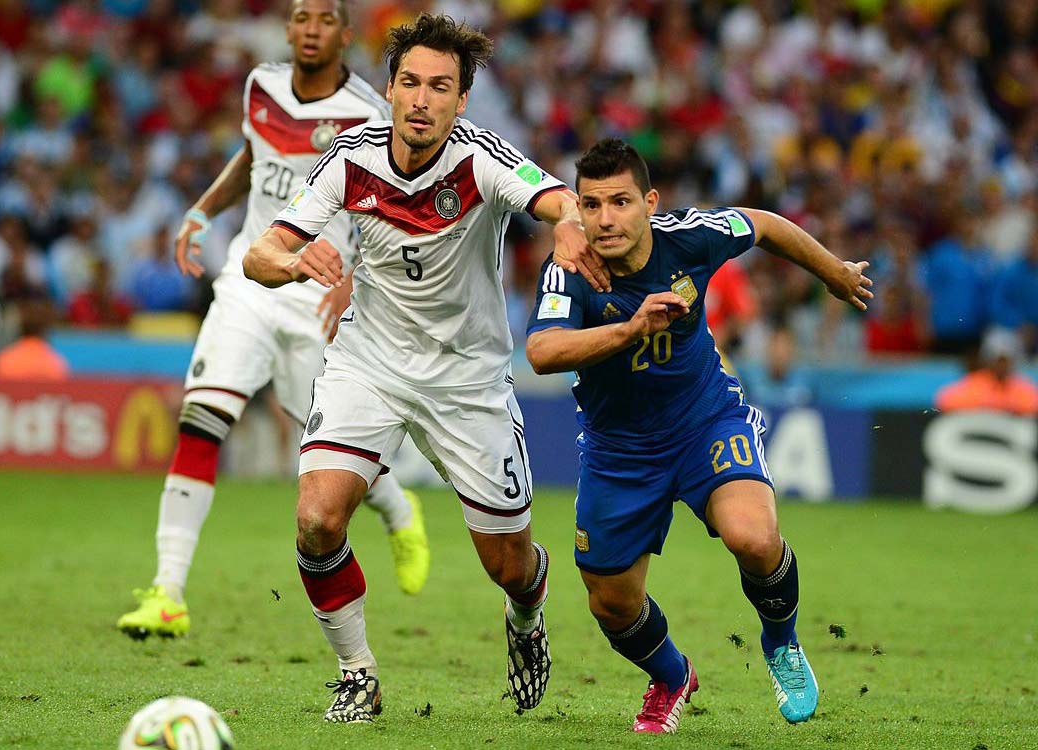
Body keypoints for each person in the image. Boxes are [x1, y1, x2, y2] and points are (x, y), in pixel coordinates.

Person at [243, 12, 600, 723]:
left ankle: (526, 621)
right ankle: (357, 673)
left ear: (461, 100)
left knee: (509, 566)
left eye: (441, 87)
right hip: (369, 363)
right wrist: (291, 262)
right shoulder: (351, 157)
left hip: (467, 380)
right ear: (391, 87)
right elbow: (261, 254)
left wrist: (567, 220)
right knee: (317, 519)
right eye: (410, 82)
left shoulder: (480, 158)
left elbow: (559, 198)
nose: (422, 99)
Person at [525, 139, 874, 734]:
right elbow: (541, 351)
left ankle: (782, 642)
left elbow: (763, 225)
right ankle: (671, 676)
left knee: (755, 538)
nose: (606, 219)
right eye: (591, 205)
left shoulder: (691, 237)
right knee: (611, 603)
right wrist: (632, 330)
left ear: (649, 203)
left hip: (703, 420)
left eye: (621, 202)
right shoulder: (570, 269)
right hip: (619, 448)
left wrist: (834, 272)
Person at [117, 0, 431, 642]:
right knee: (201, 420)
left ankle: (400, 510)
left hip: (316, 295)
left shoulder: (370, 112)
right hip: (251, 279)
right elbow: (251, 156)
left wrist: (352, 282)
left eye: (324, 19)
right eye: (300, 17)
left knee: (333, 457)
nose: (310, 29)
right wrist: (203, 210)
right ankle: (168, 591)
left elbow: (389, 207)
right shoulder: (260, 85)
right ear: (288, 28)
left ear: (345, 34)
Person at [935, 327, 1038, 416]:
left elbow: (1032, 404)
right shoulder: (974, 382)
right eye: (998, 360)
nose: (1001, 366)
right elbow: (945, 400)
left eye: (1005, 361)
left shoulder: (1021, 386)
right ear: (988, 360)